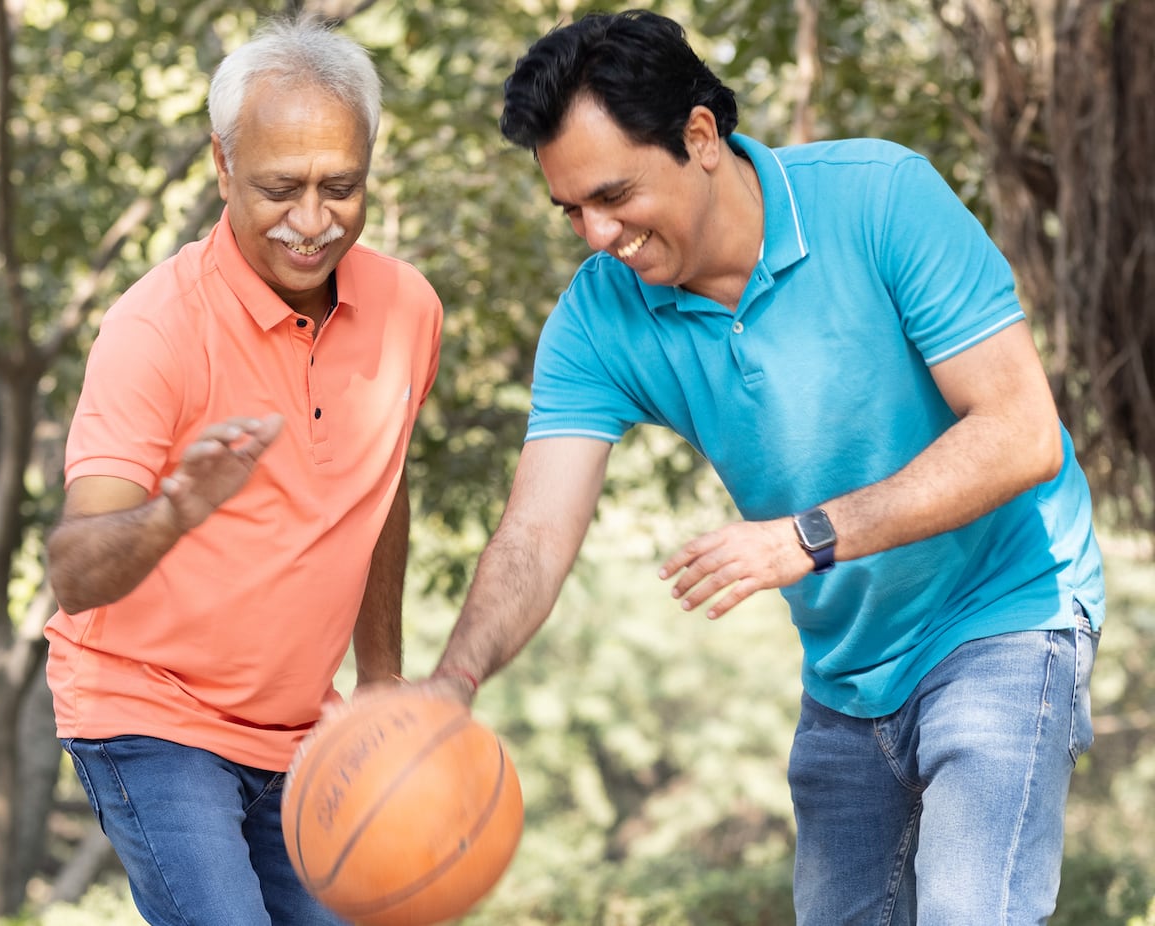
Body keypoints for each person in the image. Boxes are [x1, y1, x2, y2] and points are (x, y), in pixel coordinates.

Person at [415, 10, 1105, 925]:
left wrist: (808, 537)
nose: (595, 233)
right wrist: (451, 685)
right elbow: (537, 531)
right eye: (571, 208)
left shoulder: (880, 198)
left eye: (614, 195)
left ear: (700, 136)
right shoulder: (598, 320)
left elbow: (1021, 432)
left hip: (1006, 615)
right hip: (849, 673)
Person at [44, 15, 442, 926]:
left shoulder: (406, 307)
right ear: (223, 168)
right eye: (278, 188)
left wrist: (380, 684)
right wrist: (174, 513)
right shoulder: (154, 329)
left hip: (301, 731)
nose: (312, 222)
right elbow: (71, 572)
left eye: (339, 187)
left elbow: (383, 487)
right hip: (151, 720)